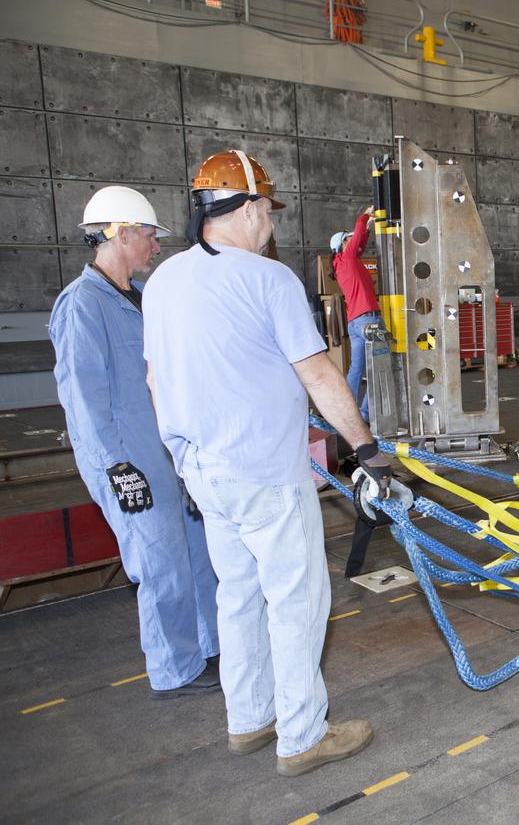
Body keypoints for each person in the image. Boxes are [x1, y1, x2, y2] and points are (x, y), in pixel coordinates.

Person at [143, 150, 396, 777]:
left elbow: (155, 380)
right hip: (263, 473)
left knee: (239, 596)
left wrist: (183, 461)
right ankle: (303, 735)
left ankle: (250, 720)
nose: (270, 225)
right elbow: (317, 374)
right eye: (268, 211)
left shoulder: (165, 281)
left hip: (202, 470)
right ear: (251, 208)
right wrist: (366, 450)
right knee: (297, 599)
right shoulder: (267, 279)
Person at [48, 186, 220, 700]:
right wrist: (115, 467)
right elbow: (82, 398)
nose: (155, 247)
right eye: (148, 236)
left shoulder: (139, 301)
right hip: (131, 463)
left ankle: (210, 646)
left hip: (168, 456)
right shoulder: (82, 305)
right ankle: (175, 670)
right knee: (160, 564)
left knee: (197, 555)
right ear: (120, 234)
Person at [329, 209, 384, 421]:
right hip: (368, 320)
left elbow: (360, 242)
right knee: (381, 368)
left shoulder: (343, 263)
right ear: (343, 244)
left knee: (356, 370)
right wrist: (365, 216)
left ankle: (348, 413)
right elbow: (358, 238)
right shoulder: (347, 257)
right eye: (349, 239)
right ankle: (365, 414)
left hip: (355, 323)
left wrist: (367, 228)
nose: (353, 241)